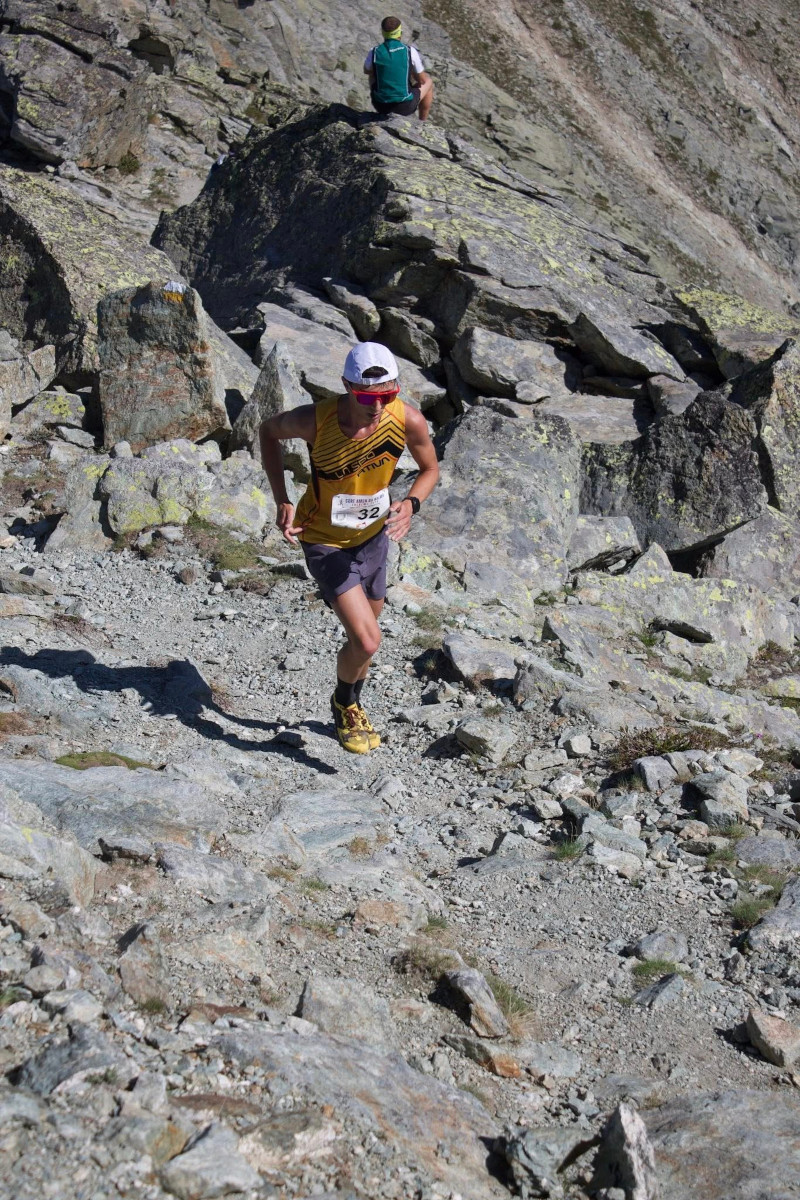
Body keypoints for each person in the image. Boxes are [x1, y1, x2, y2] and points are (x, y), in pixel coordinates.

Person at [259, 342, 439, 754]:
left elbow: (430, 468)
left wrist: (411, 504)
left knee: (363, 642)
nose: (377, 407)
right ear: (345, 386)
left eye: (386, 396)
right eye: (366, 397)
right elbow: (268, 431)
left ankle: (353, 701)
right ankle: (344, 704)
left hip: (374, 538)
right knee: (369, 641)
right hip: (324, 539)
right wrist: (282, 499)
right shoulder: (316, 420)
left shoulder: (406, 418)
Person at [364, 15, 434, 122]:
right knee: (428, 82)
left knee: (373, 74)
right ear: (400, 32)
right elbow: (422, 80)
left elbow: (367, 70)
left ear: (383, 32)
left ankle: (382, 98)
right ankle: (423, 121)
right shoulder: (410, 51)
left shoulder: (374, 51)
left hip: (381, 106)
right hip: (404, 107)